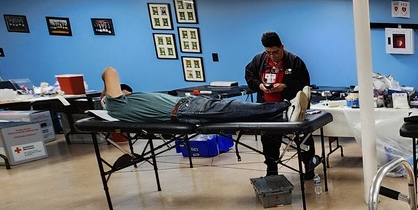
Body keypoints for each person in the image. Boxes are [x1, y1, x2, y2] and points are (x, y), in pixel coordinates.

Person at [100, 66, 308, 124]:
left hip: (189, 104)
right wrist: (105, 93)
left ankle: (284, 114)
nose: (127, 91)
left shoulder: (123, 104)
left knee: (239, 111)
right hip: (185, 109)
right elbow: (109, 71)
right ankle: (286, 107)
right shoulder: (115, 104)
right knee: (236, 108)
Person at [245, 31, 316, 178]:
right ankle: (272, 170)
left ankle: (309, 167)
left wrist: (284, 86)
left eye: (275, 52)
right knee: (269, 141)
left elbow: (304, 85)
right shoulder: (258, 60)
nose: (272, 56)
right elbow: (250, 77)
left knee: (303, 139)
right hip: (268, 109)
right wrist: (260, 86)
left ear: (282, 47)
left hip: (290, 108)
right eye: (268, 52)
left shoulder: (295, 62)